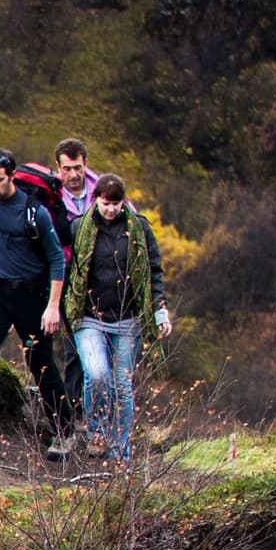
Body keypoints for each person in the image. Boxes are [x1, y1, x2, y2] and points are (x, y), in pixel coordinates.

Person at [0, 148, 69, 455]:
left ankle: (63, 430)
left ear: (11, 177)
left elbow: (56, 258)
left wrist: (52, 306)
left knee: (40, 362)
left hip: (31, 295)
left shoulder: (34, 212)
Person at [62, 173, 170, 464]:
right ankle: (97, 432)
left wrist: (160, 312)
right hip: (89, 316)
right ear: (95, 199)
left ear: (124, 202)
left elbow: (154, 271)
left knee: (122, 385)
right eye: (105, 203)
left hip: (128, 319)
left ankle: (120, 449)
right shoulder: (78, 228)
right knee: (97, 374)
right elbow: (63, 267)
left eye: (116, 203)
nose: (110, 209)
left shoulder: (139, 229)